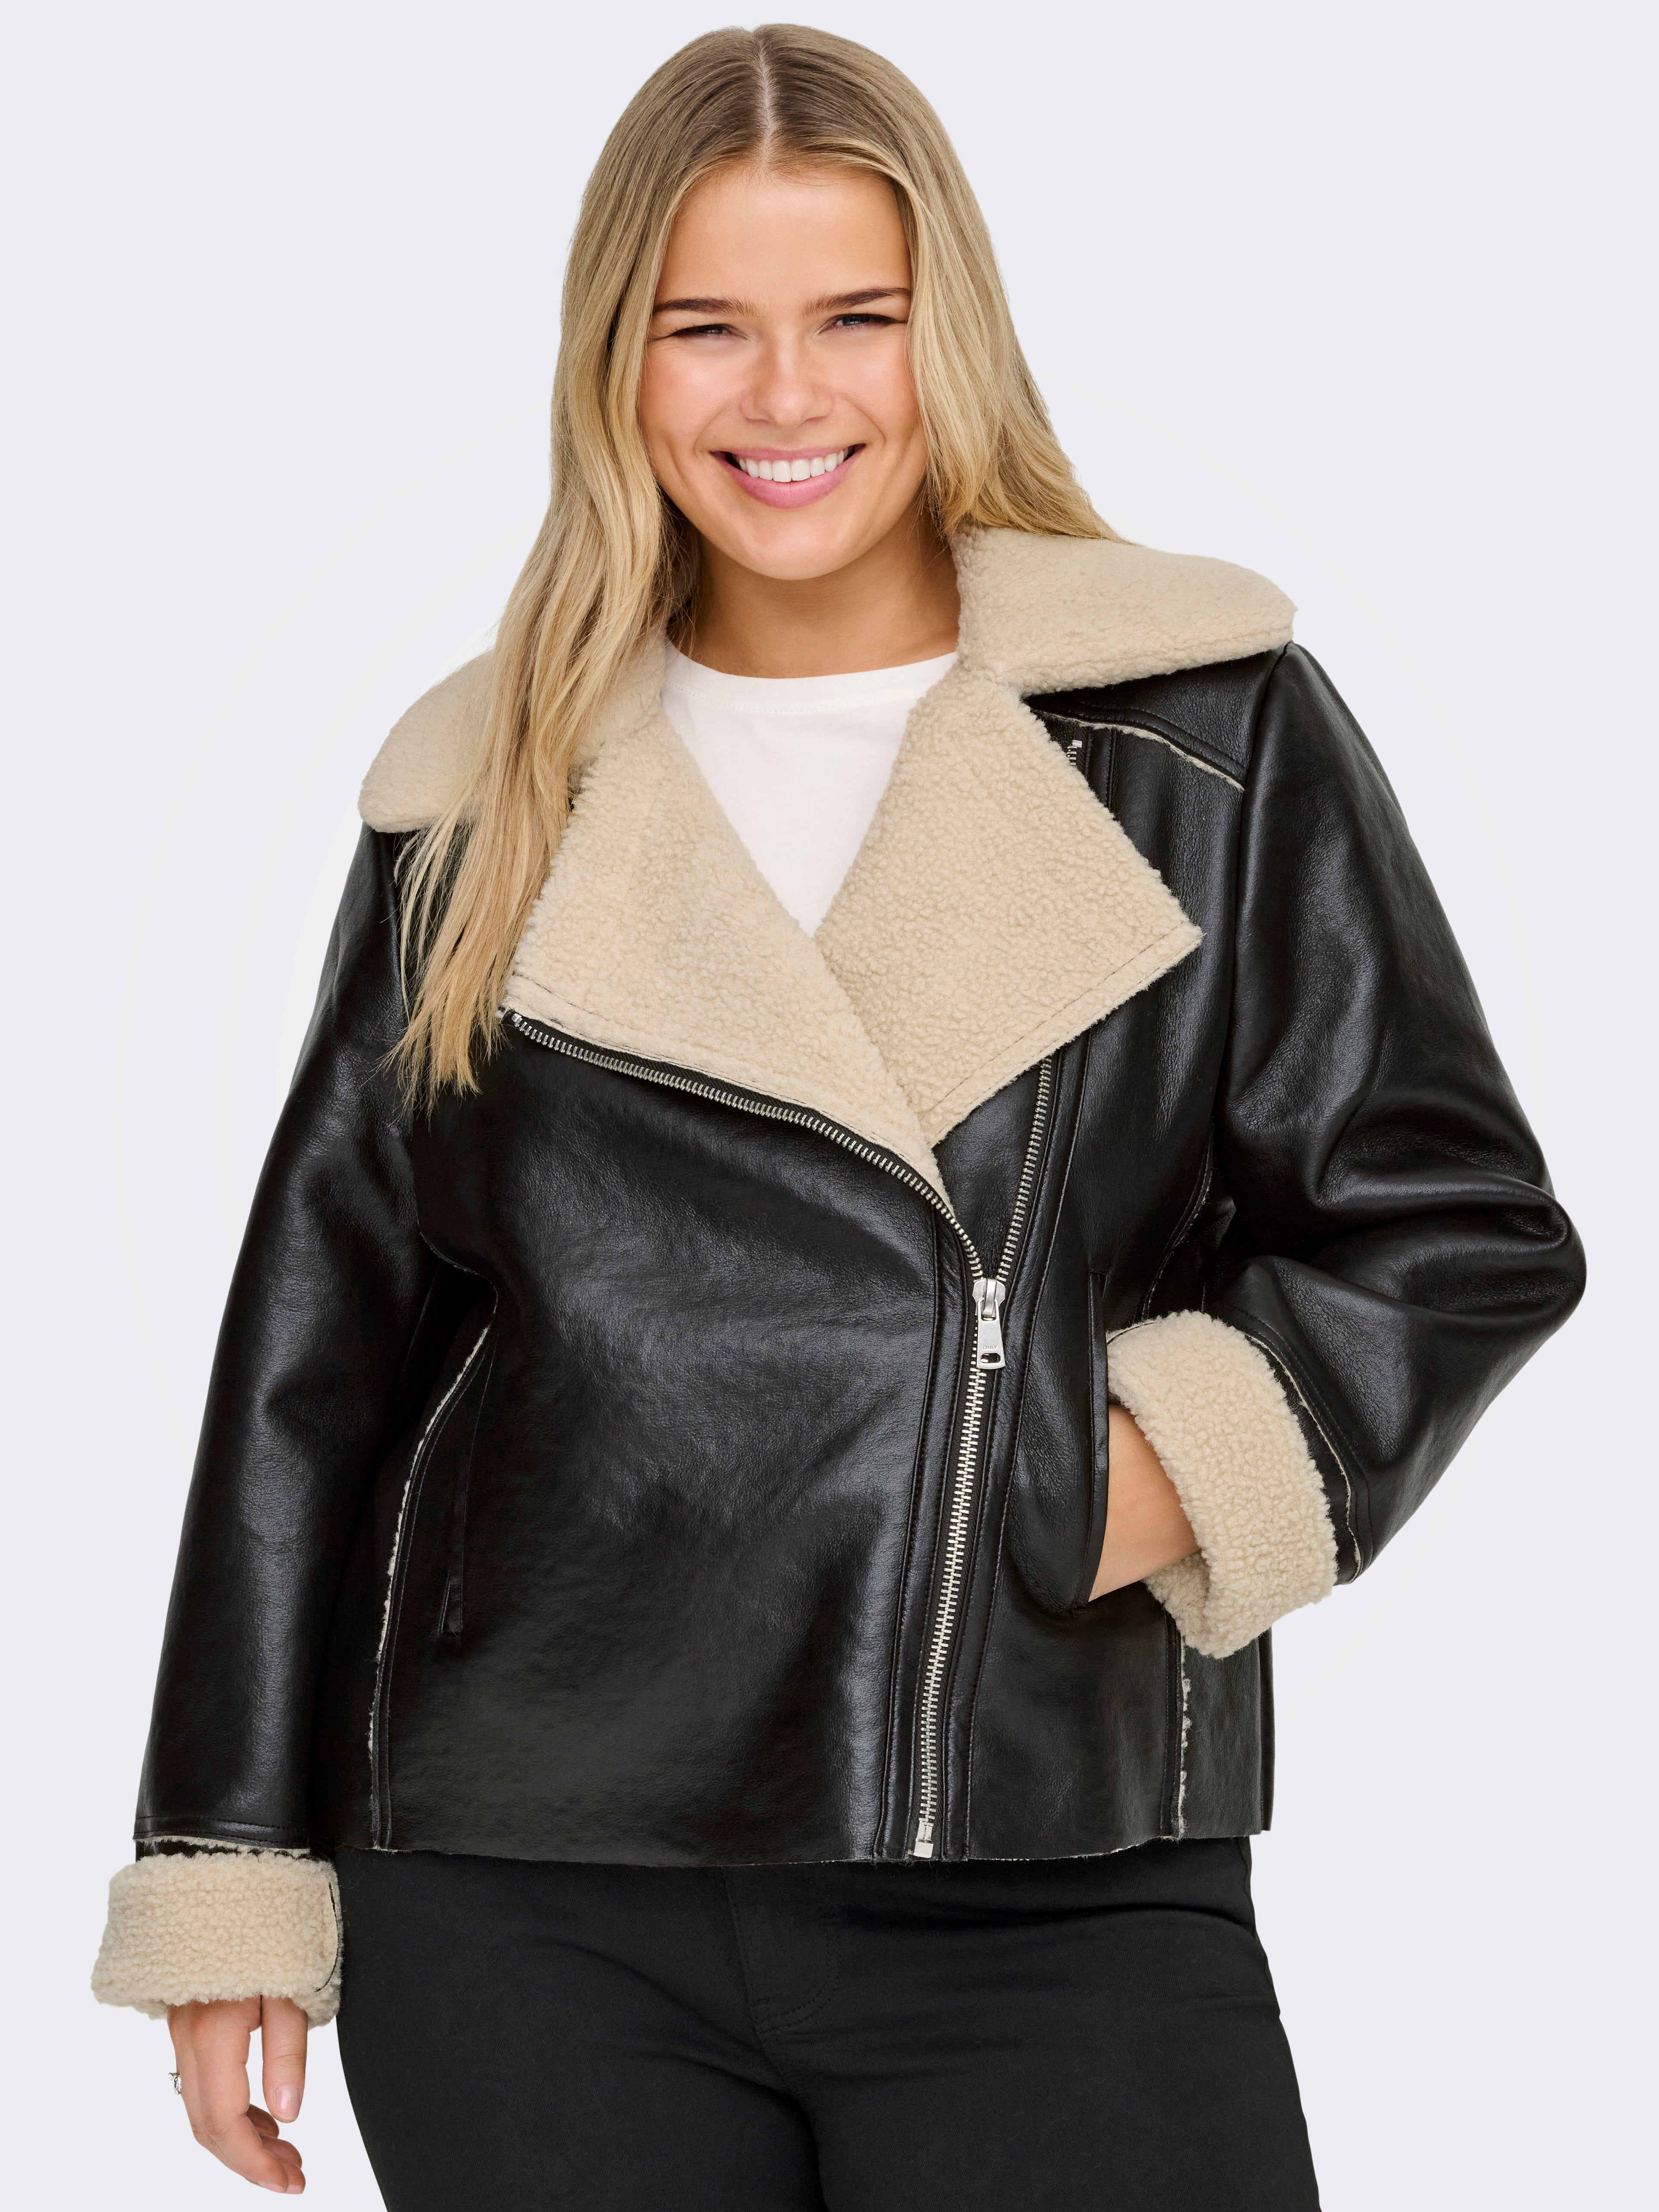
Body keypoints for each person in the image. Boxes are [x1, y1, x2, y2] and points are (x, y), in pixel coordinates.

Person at [91, 23, 1584, 2209]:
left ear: (942, 334)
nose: (783, 396)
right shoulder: (482, 787)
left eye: (853, 318)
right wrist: (228, 1857)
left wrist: (1137, 1476)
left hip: (1040, 1851)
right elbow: (316, 1357)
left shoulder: (1196, 728)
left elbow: (1451, 1223)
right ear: (615, 361)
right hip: (519, 1881)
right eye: (704, 324)